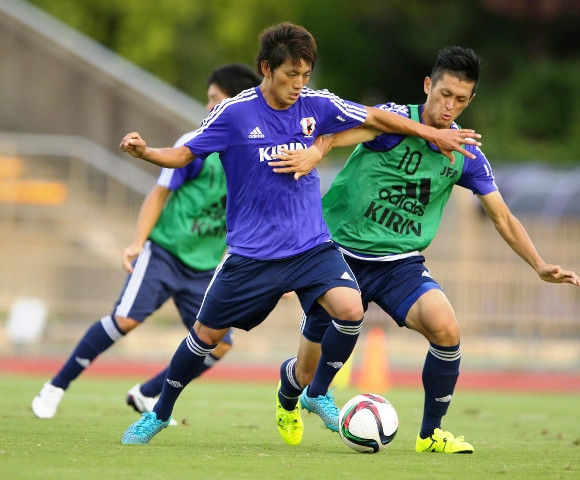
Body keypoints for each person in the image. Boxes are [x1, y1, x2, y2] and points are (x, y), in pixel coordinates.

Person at [118, 23, 481, 445]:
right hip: (252, 254)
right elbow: (183, 153)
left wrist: (432, 132)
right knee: (205, 337)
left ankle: (316, 394)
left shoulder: (315, 103)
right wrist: (146, 152)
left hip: (311, 246)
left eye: (306, 74)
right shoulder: (234, 113)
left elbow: (378, 117)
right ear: (266, 69)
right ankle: (159, 413)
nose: (299, 84)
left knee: (350, 309)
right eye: (291, 75)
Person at [269, 45, 580, 452]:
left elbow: (503, 217)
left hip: (400, 264)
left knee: (446, 328)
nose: (450, 106)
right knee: (307, 371)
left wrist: (539, 265)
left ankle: (430, 435)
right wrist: (315, 152)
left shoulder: (466, 154)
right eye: (444, 94)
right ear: (428, 85)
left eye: (461, 100)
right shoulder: (393, 120)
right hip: (337, 254)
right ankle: (292, 397)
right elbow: (334, 136)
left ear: (471, 100)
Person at [31, 63, 262, 421]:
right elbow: (158, 194)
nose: (208, 107)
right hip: (165, 253)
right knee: (125, 319)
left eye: (214, 99)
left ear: (238, 102)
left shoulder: (254, 154)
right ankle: (55, 386)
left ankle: (147, 393)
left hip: (205, 267)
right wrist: (138, 243)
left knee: (219, 345)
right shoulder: (195, 144)